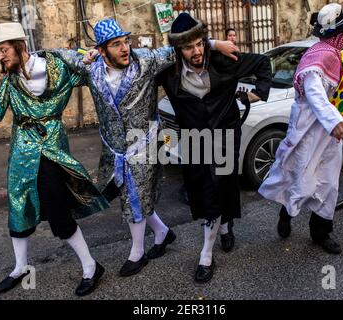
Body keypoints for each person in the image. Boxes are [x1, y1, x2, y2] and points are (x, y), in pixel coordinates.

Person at [53, 18, 239, 277]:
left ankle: (137, 252)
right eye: (116, 44)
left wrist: (215, 43)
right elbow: (62, 56)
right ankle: (162, 233)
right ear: (103, 50)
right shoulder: (91, 69)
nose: (125, 48)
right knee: (126, 192)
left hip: (149, 139)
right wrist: (36, 55)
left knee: (136, 196)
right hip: (114, 148)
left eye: (125, 41)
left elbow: (181, 47)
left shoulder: (146, 61)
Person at [0, 23, 109, 296]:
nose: (0, 57)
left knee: (57, 208)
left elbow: (89, 73)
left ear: (19, 46)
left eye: (3, 50)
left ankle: (90, 266)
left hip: (51, 147)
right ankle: (20, 268)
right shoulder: (8, 80)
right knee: (19, 205)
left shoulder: (56, 65)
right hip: (21, 152)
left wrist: (88, 57)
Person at [157, 12, 271, 283]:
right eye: (188, 46)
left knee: (218, 186)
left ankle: (206, 254)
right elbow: (141, 57)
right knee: (202, 189)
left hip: (224, 135)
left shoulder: (223, 60)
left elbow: (263, 63)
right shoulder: (168, 73)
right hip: (195, 140)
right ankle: (224, 227)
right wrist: (213, 42)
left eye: (199, 44)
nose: (196, 51)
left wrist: (258, 93)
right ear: (178, 49)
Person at [258, 3, 343, 254]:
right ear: (339, 33)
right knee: (300, 181)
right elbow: (315, 94)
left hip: (331, 138)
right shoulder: (318, 56)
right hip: (309, 134)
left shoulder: (340, 56)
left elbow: (342, 92)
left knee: (328, 185)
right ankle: (286, 213)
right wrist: (335, 121)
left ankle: (321, 233)